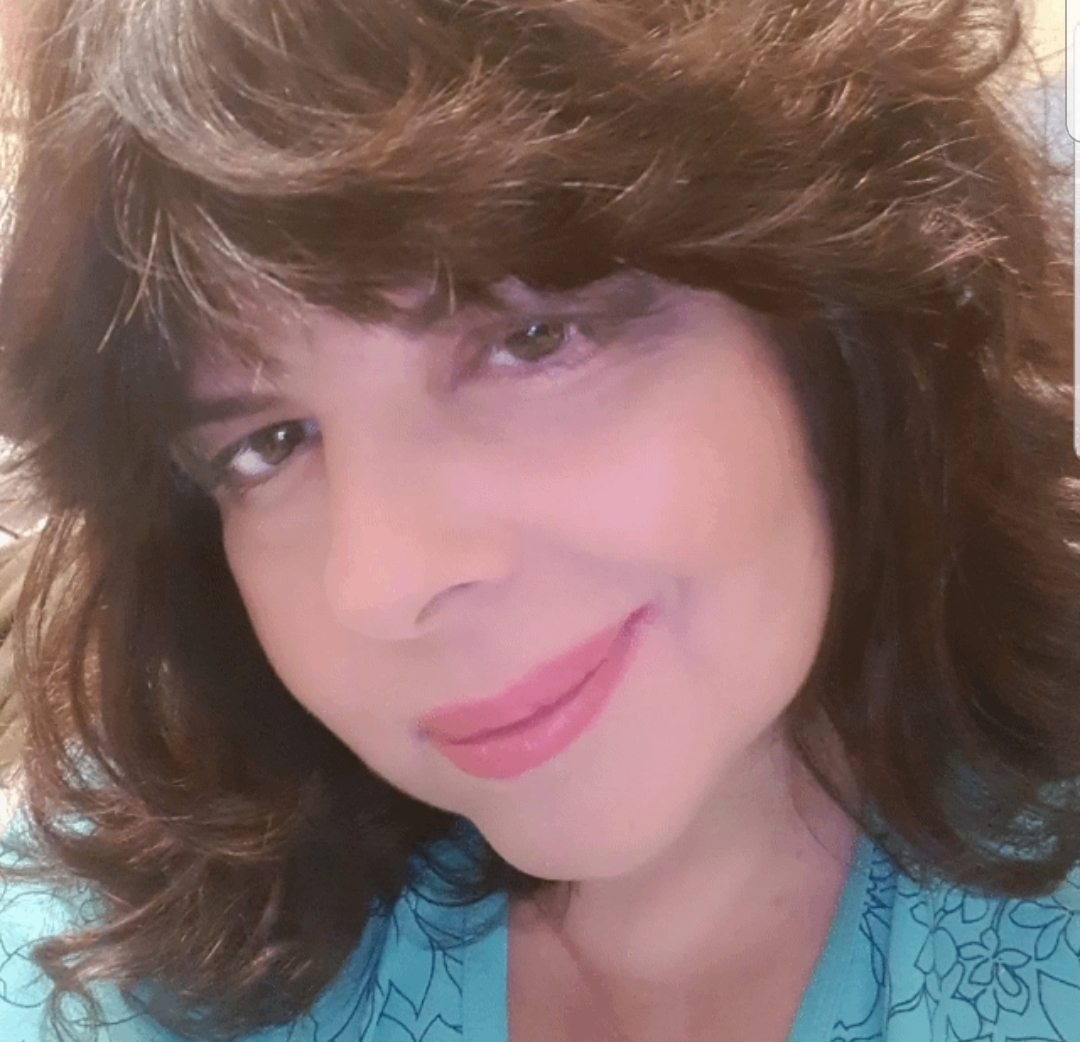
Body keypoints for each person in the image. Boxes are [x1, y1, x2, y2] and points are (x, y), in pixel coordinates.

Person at [0, 1, 1078, 1040]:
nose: (378, 583)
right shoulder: (104, 955)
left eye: (530, 339)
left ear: (838, 308)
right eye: (268, 443)